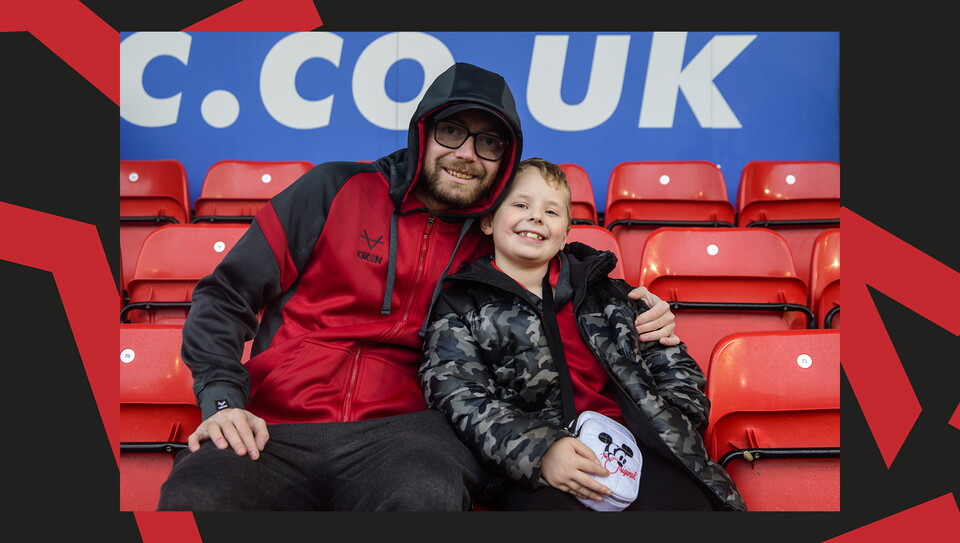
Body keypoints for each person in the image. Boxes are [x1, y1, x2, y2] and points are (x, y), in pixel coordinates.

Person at [157, 63, 678, 511]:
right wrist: (223, 400)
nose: (467, 153)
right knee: (200, 491)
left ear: (505, 157)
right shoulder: (334, 188)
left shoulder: (494, 236)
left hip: (408, 435)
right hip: (275, 425)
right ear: (422, 132)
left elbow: (566, 277)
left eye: (489, 142)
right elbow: (225, 296)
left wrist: (636, 306)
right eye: (451, 131)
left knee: (423, 494)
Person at [419, 157, 746, 511]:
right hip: (539, 467)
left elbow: (675, 366)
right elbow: (460, 397)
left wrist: (668, 424)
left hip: (641, 452)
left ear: (565, 234)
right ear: (488, 220)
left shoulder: (611, 294)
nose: (536, 217)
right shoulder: (460, 303)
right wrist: (541, 452)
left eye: (551, 211)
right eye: (521, 205)